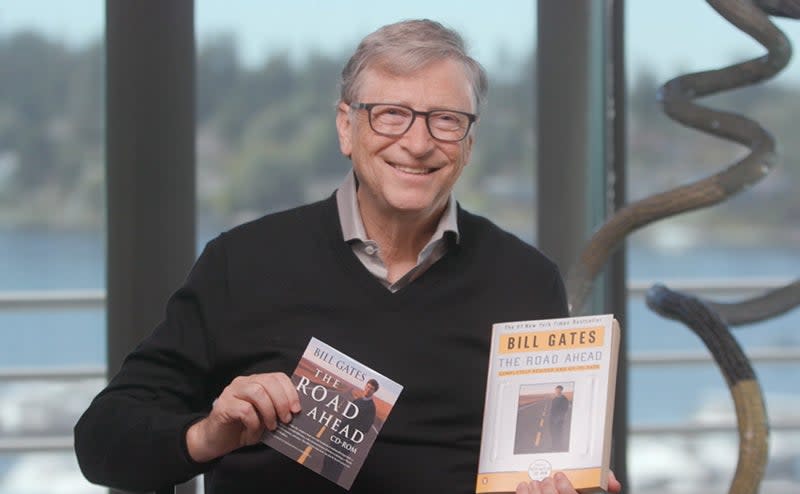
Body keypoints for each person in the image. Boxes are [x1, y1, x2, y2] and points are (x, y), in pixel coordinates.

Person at [74, 19, 620, 494]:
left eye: (446, 120)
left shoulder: (525, 281)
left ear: (469, 143)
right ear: (346, 127)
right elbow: (103, 440)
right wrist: (206, 435)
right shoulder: (242, 264)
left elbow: (558, 459)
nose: (418, 142)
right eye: (391, 114)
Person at [320, 379, 379, 483]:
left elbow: (366, 428)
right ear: (365, 386)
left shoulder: (371, 408)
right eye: (368, 386)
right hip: (338, 434)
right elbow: (345, 416)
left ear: (374, 391)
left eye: (371, 389)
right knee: (328, 457)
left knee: (338, 462)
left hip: (348, 439)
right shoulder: (357, 400)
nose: (368, 389)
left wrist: (351, 430)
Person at [548, 385, 571, 451]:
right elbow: (552, 410)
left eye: (559, 390)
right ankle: (553, 447)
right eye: (556, 390)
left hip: (559, 421)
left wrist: (558, 419)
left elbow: (564, 410)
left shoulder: (564, 399)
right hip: (552, 420)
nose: (557, 391)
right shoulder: (554, 399)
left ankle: (559, 448)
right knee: (553, 433)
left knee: (559, 434)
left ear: (561, 390)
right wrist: (551, 418)